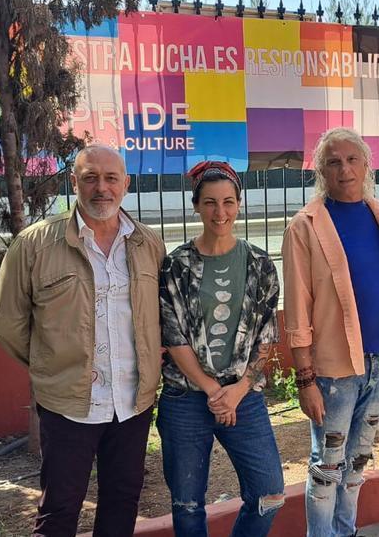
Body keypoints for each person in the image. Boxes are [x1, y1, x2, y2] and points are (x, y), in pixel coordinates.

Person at [0, 144, 166, 537]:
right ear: (75, 183)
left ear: (126, 184)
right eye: (90, 178)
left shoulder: (147, 244)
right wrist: (52, 366)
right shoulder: (35, 244)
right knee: (58, 511)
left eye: (110, 178)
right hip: (69, 406)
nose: (100, 188)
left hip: (132, 403)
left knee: (122, 503)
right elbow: (7, 322)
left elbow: (156, 316)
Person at [282, 127, 379, 537]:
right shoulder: (304, 226)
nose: (345, 169)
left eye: (352, 159)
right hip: (332, 372)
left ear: (366, 165)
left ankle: (347, 530)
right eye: (334, 162)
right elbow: (298, 310)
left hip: (378, 365)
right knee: (327, 466)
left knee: (357, 464)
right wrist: (304, 379)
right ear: (321, 170)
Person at [157, 161, 285, 536]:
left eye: (228, 202)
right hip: (185, 397)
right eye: (210, 202)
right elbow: (173, 336)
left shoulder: (260, 263)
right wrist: (214, 391)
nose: (220, 212)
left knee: (270, 492)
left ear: (239, 204)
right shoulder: (176, 265)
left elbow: (266, 336)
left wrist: (238, 390)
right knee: (187, 504)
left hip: (243, 397)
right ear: (196, 205)